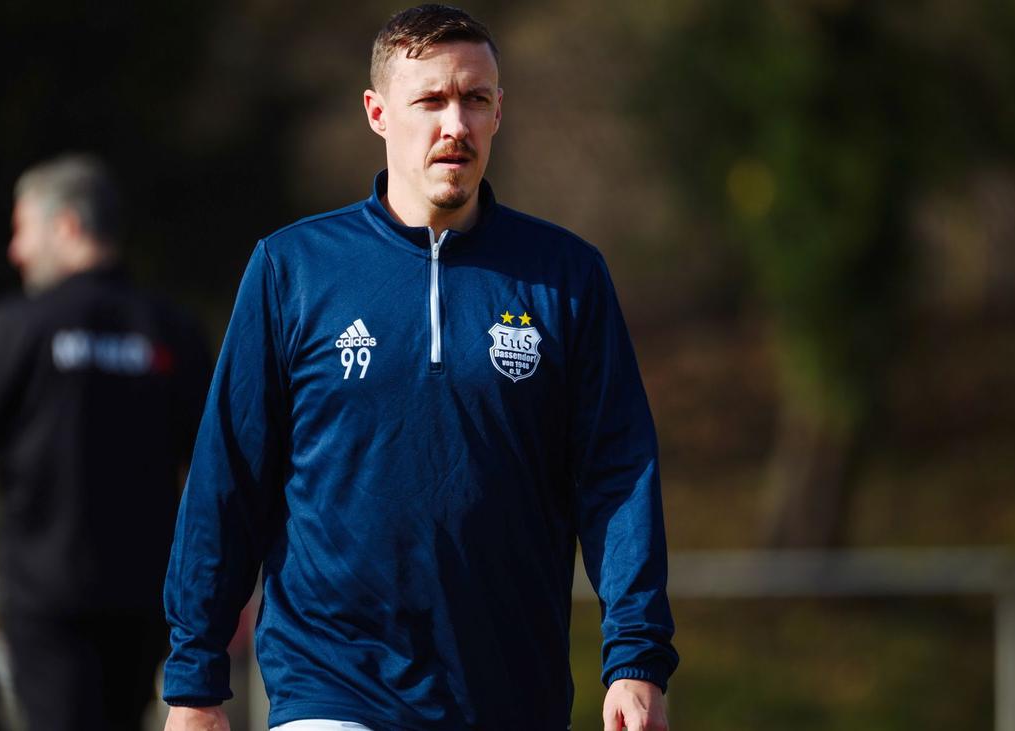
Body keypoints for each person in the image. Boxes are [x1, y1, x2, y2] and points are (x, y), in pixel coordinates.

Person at [162, 5, 678, 731]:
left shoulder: (566, 276)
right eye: (430, 100)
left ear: (499, 112)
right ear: (378, 113)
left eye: (475, 99)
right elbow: (229, 478)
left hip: (510, 694)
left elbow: (616, 475)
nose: (455, 124)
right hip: (332, 684)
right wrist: (194, 679)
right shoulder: (293, 269)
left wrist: (636, 658)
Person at [0, 154, 213, 731]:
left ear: (67, 226)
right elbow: (216, 463)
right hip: (146, 593)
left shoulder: (24, 325)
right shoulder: (171, 331)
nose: (15, 251)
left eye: (22, 230)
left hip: (49, 596)